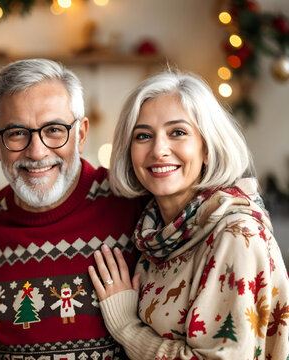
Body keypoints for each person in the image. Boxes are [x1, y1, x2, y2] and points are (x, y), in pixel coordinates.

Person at [88, 71, 289, 359]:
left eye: (178, 132)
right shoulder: (154, 235)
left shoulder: (236, 235)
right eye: (143, 136)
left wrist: (127, 328)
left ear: (207, 148)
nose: (158, 150)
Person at [0, 58, 144, 359]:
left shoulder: (131, 203)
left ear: (81, 134)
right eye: (16, 133)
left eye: (54, 130)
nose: (36, 151)